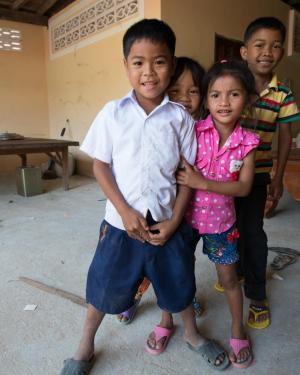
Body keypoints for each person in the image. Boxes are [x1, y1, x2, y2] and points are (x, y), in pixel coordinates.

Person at [60, 19, 229, 375]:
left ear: (171, 64)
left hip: (167, 223)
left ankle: (192, 335)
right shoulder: (113, 113)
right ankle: (84, 346)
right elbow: (100, 167)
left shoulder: (180, 119)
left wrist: (175, 221)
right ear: (126, 66)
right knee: (103, 286)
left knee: (179, 283)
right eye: (138, 62)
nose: (149, 72)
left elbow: (186, 178)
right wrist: (124, 210)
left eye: (160, 61)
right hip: (121, 225)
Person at [175, 60, 260, 368]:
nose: (224, 102)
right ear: (206, 99)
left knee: (228, 278)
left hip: (222, 226)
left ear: (247, 99)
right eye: (215, 95)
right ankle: (166, 318)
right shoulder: (194, 131)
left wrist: (203, 182)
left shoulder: (248, 143)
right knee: (178, 271)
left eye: (234, 94)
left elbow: (245, 188)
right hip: (184, 220)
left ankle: (238, 329)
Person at [117, 56, 206, 325]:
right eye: (176, 91)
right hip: (161, 207)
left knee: (181, 258)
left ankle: (182, 295)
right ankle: (133, 295)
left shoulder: (204, 129)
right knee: (145, 258)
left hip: (195, 211)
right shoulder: (161, 126)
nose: (185, 99)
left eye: (193, 91)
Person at [236, 17, 300, 330]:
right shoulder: (232, 86)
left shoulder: (283, 94)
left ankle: (257, 294)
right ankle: (235, 273)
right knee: (226, 231)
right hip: (224, 178)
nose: (267, 52)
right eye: (259, 45)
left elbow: (287, 135)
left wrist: (277, 178)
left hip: (259, 175)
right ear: (245, 51)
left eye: (276, 46)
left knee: (253, 233)